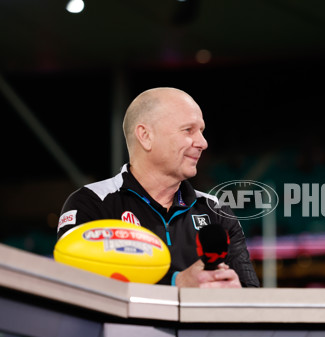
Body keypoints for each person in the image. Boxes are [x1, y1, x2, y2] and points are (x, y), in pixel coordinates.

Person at [57, 87, 260, 288]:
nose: (203, 142)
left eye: (202, 131)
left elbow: (252, 295)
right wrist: (176, 284)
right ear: (145, 136)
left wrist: (237, 292)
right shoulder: (91, 203)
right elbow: (78, 289)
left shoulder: (215, 210)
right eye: (188, 130)